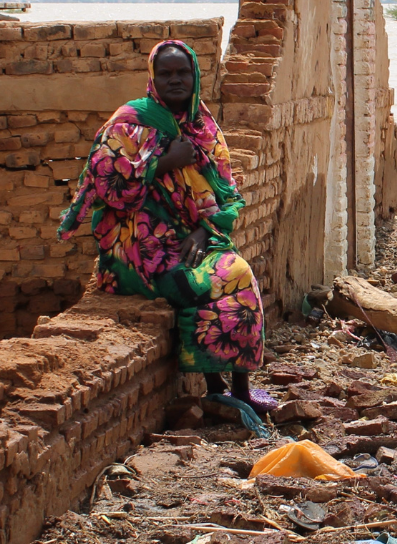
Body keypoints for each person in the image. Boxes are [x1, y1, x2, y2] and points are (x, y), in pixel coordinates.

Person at [57, 40, 276, 433]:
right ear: (153, 79)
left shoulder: (203, 126)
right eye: (167, 73)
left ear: (194, 76)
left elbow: (228, 195)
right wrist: (163, 162)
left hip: (188, 238)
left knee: (240, 273)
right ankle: (214, 384)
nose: (176, 80)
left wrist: (200, 230)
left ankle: (239, 387)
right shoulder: (129, 123)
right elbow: (106, 186)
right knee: (197, 284)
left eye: (183, 72)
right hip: (136, 248)